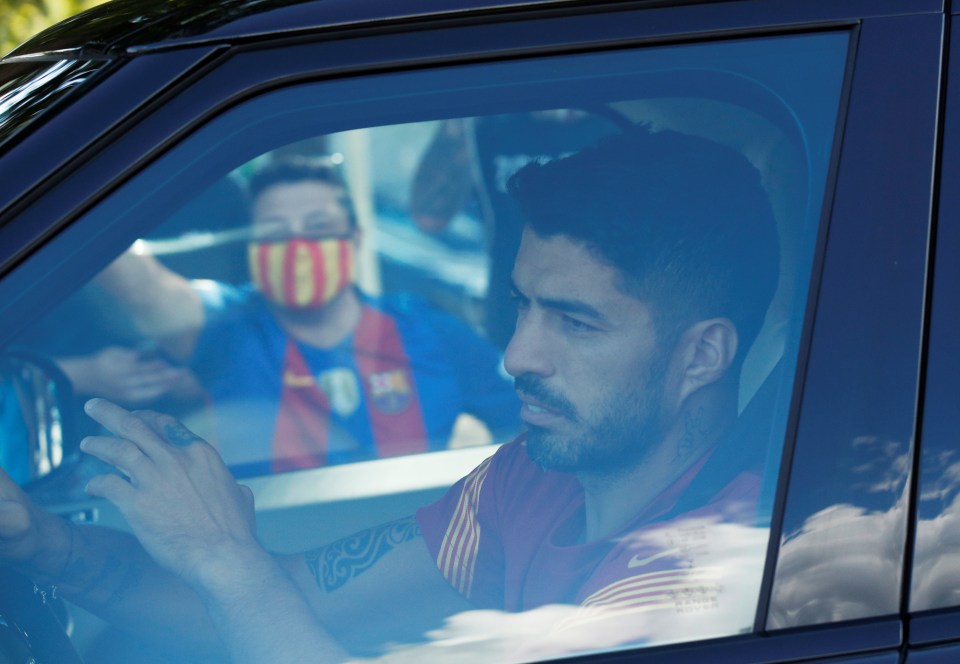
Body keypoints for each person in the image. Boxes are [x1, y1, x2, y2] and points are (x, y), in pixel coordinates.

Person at [0, 125, 780, 661]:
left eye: (576, 323)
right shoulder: (533, 478)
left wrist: (225, 556)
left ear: (702, 354)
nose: (516, 356)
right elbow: (295, 599)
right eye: (521, 305)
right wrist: (46, 545)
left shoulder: (691, 581)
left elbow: (254, 592)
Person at [97, 160, 520, 474]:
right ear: (253, 248)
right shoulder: (229, 328)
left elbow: (526, 427)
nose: (297, 244)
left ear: (354, 238)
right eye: (275, 232)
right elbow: (144, 290)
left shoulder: (432, 332)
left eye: (318, 227)